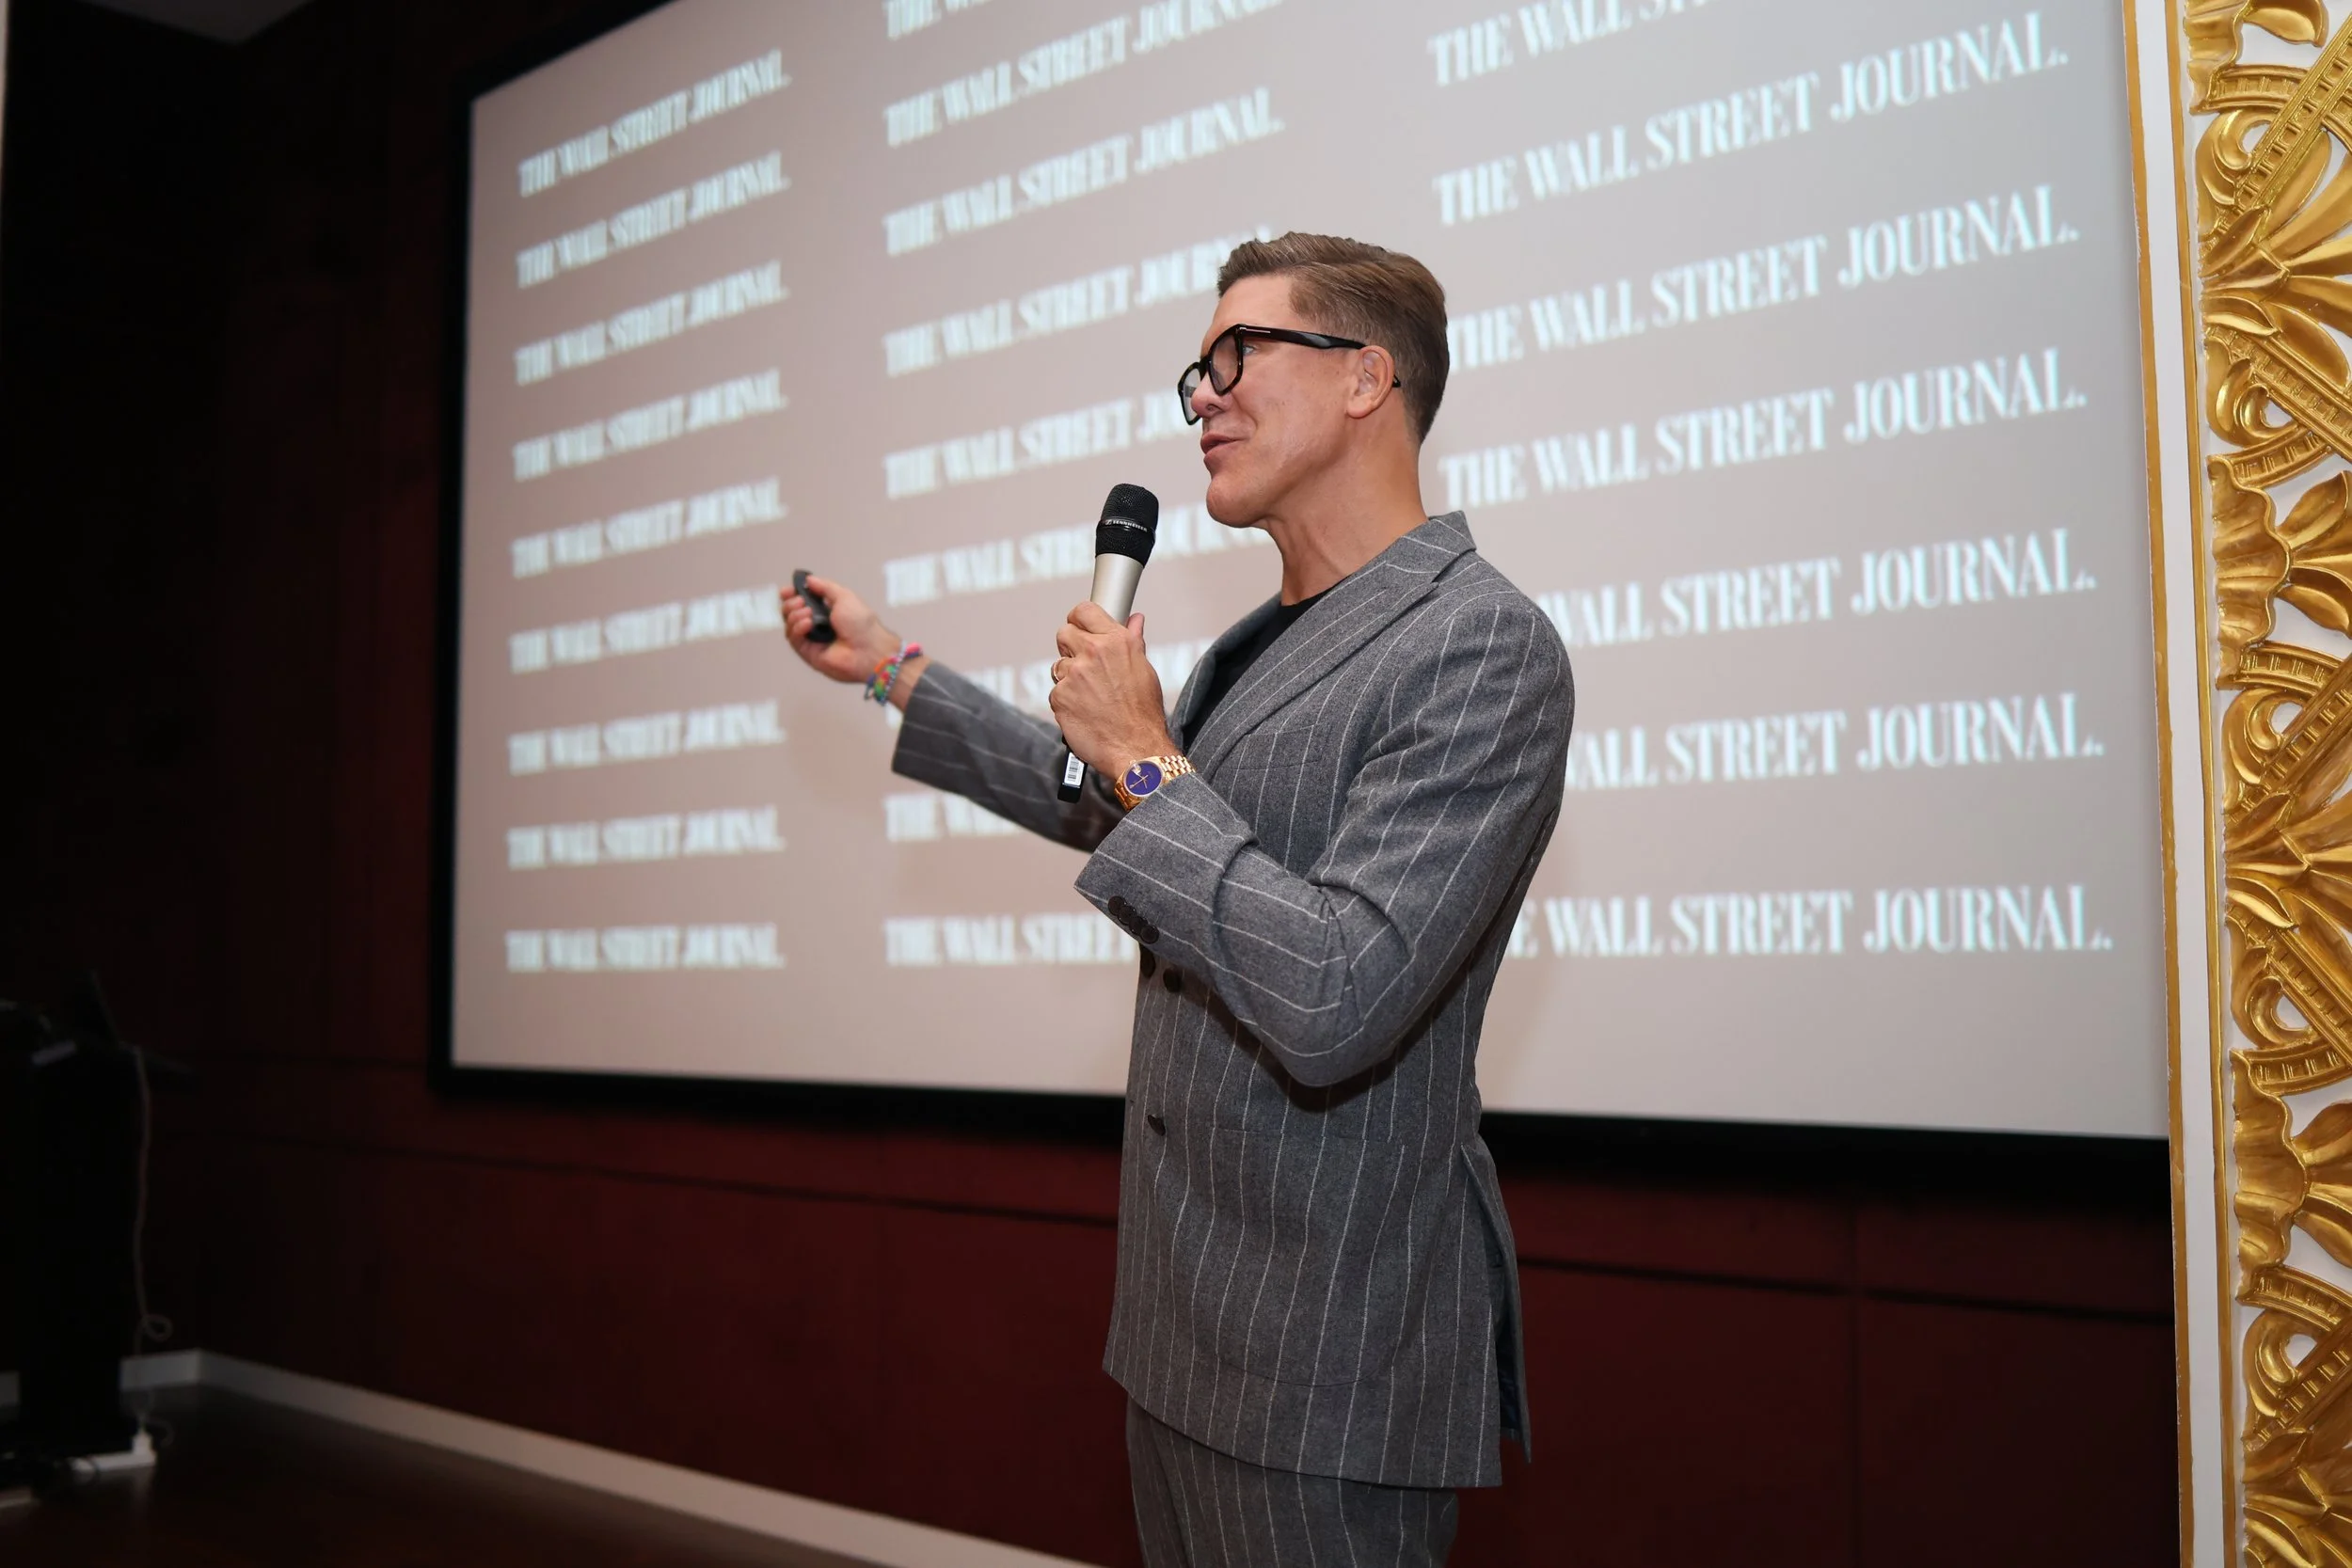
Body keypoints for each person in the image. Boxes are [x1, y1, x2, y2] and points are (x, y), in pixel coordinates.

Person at [782, 232, 1573, 1567]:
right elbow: (1115, 807)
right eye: (1194, 372)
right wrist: (892, 670)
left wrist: (1146, 751)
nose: (1201, 395)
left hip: (1324, 1353)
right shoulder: (1272, 639)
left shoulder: (1480, 646)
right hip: (1182, 1326)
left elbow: (1336, 991)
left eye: (1237, 356)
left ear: (1368, 376)